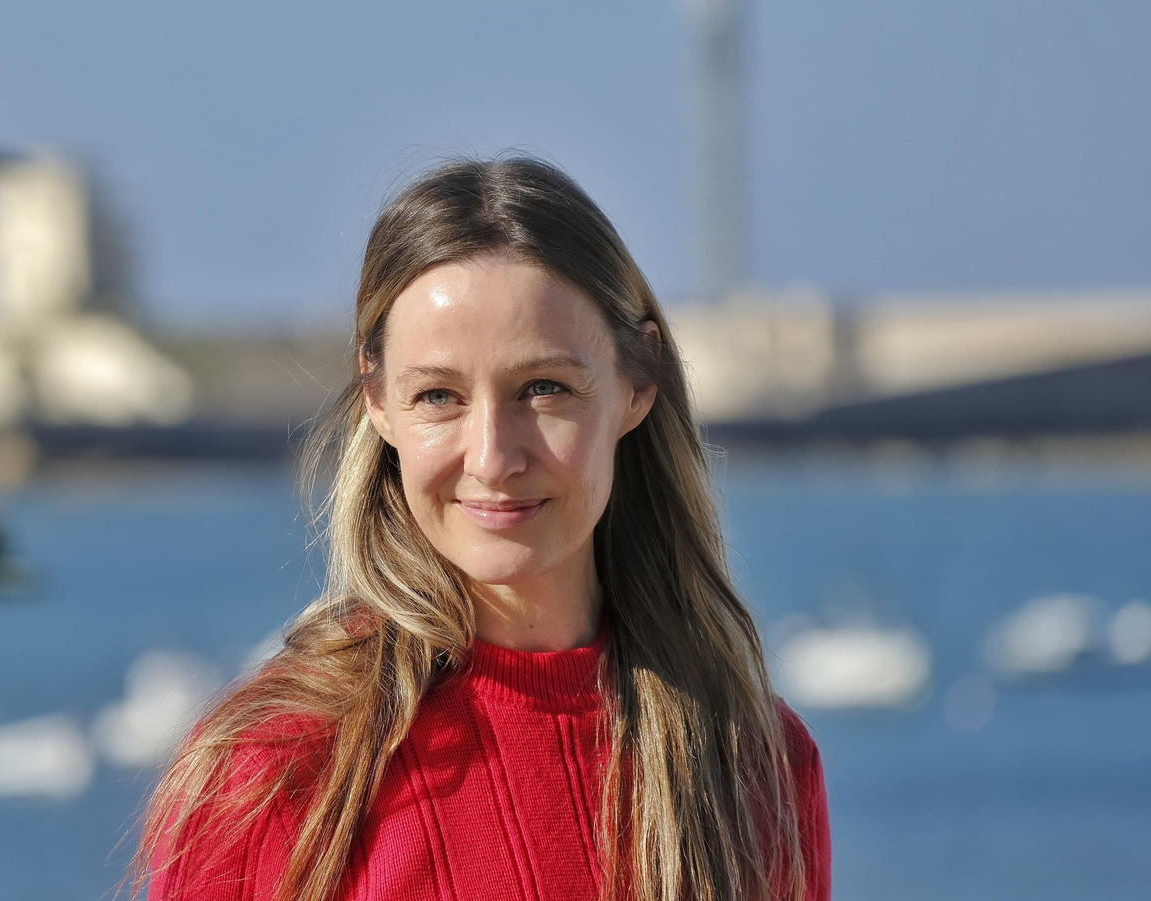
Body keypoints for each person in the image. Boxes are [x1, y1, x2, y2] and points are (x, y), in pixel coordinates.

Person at [133, 156, 830, 901]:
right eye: (439, 395)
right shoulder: (277, 772)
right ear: (378, 400)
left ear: (637, 384)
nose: (494, 456)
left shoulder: (755, 770)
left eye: (544, 388)